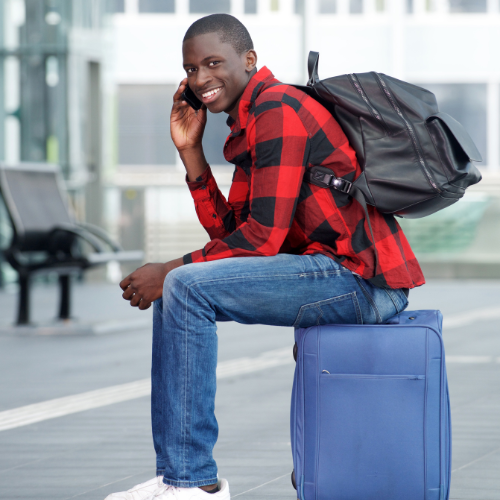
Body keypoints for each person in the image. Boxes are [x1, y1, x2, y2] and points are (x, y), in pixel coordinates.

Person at [108, 13, 424, 500]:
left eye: (214, 63)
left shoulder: (277, 108)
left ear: (248, 60)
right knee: (182, 287)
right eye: (191, 69)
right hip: (333, 271)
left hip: (360, 278)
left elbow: (260, 242)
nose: (201, 79)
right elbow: (232, 234)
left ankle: (194, 482)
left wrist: (169, 269)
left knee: (183, 285)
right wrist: (191, 151)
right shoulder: (251, 120)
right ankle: (181, 477)